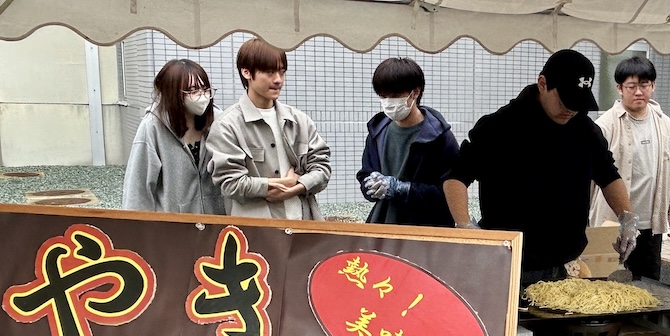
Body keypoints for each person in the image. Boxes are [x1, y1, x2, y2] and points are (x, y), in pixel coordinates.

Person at [443, 49, 638, 287]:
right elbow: (456, 178)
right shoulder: (499, 126)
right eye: (565, 101)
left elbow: (608, 176)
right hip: (511, 264)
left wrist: (626, 217)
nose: (571, 110)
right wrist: (464, 225)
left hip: (567, 264)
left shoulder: (586, 131)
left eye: (577, 103)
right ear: (542, 83)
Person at [207, 38, 331, 220]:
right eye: (270, 72)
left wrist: (297, 186)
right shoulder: (227, 125)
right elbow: (230, 183)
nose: (278, 80)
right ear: (246, 72)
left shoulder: (298, 120)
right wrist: (271, 185)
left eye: (282, 72)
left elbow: (322, 168)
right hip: (256, 232)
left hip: (305, 224)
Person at [589, 56, 670, 280]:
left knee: (648, 287)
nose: (639, 92)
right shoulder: (605, 124)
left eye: (645, 85)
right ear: (619, 88)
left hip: (651, 221)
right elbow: (591, 178)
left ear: (653, 86)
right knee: (603, 286)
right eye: (631, 86)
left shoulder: (663, 121)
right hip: (611, 221)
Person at [357, 58, 458, 226]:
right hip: (383, 223)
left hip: (424, 229)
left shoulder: (440, 137)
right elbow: (365, 174)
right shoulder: (377, 132)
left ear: (415, 92)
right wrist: (370, 186)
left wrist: (402, 189)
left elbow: (449, 192)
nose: (388, 102)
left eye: (395, 96)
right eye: (383, 96)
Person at [122, 59, 225, 215]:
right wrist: (139, 230)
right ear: (172, 93)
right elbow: (138, 187)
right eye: (192, 91)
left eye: (205, 89)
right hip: (174, 227)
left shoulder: (219, 121)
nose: (202, 96)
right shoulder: (152, 126)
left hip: (216, 223)